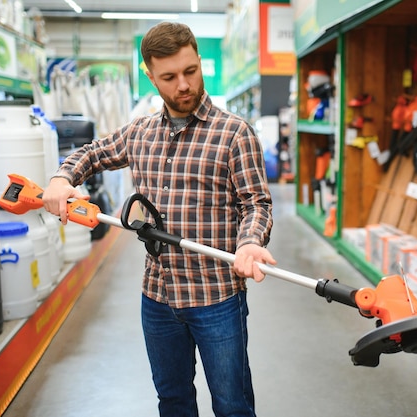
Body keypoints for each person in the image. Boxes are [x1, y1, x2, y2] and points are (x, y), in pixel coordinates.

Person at [42, 21, 276, 417]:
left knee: (232, 405)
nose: (183, 85)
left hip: (216, 296)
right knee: (173, 401)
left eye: (190, 71)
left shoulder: (236, 134)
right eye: (169, 77)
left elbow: (256, 203)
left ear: (200, 61)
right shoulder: (141, 132)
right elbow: (94, 152)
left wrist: (250, 241)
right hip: (158, 296)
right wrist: (62, 178)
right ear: (151, 77)